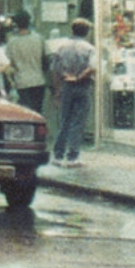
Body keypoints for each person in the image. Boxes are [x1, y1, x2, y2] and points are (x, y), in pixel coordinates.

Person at [48, 20, 97, 165]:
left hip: (66, 86)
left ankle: (58, 155)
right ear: (86, 32)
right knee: (78, 122)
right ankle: (72, 156)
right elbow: (92, 68)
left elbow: (55, 70)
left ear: (72, 30)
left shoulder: (61, 47)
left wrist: (57, 90)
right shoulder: (89, 48)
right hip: (83, 86)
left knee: (64, 121)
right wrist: (78, 77)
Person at [6, 12, 48, 116]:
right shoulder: (39, 38)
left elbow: (8, 63)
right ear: (29, 22)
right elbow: (46, 58)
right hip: (38, 80)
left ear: (16, 24)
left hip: (21, 82)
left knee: (25, 113)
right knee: (37, 112)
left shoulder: (12, 42)